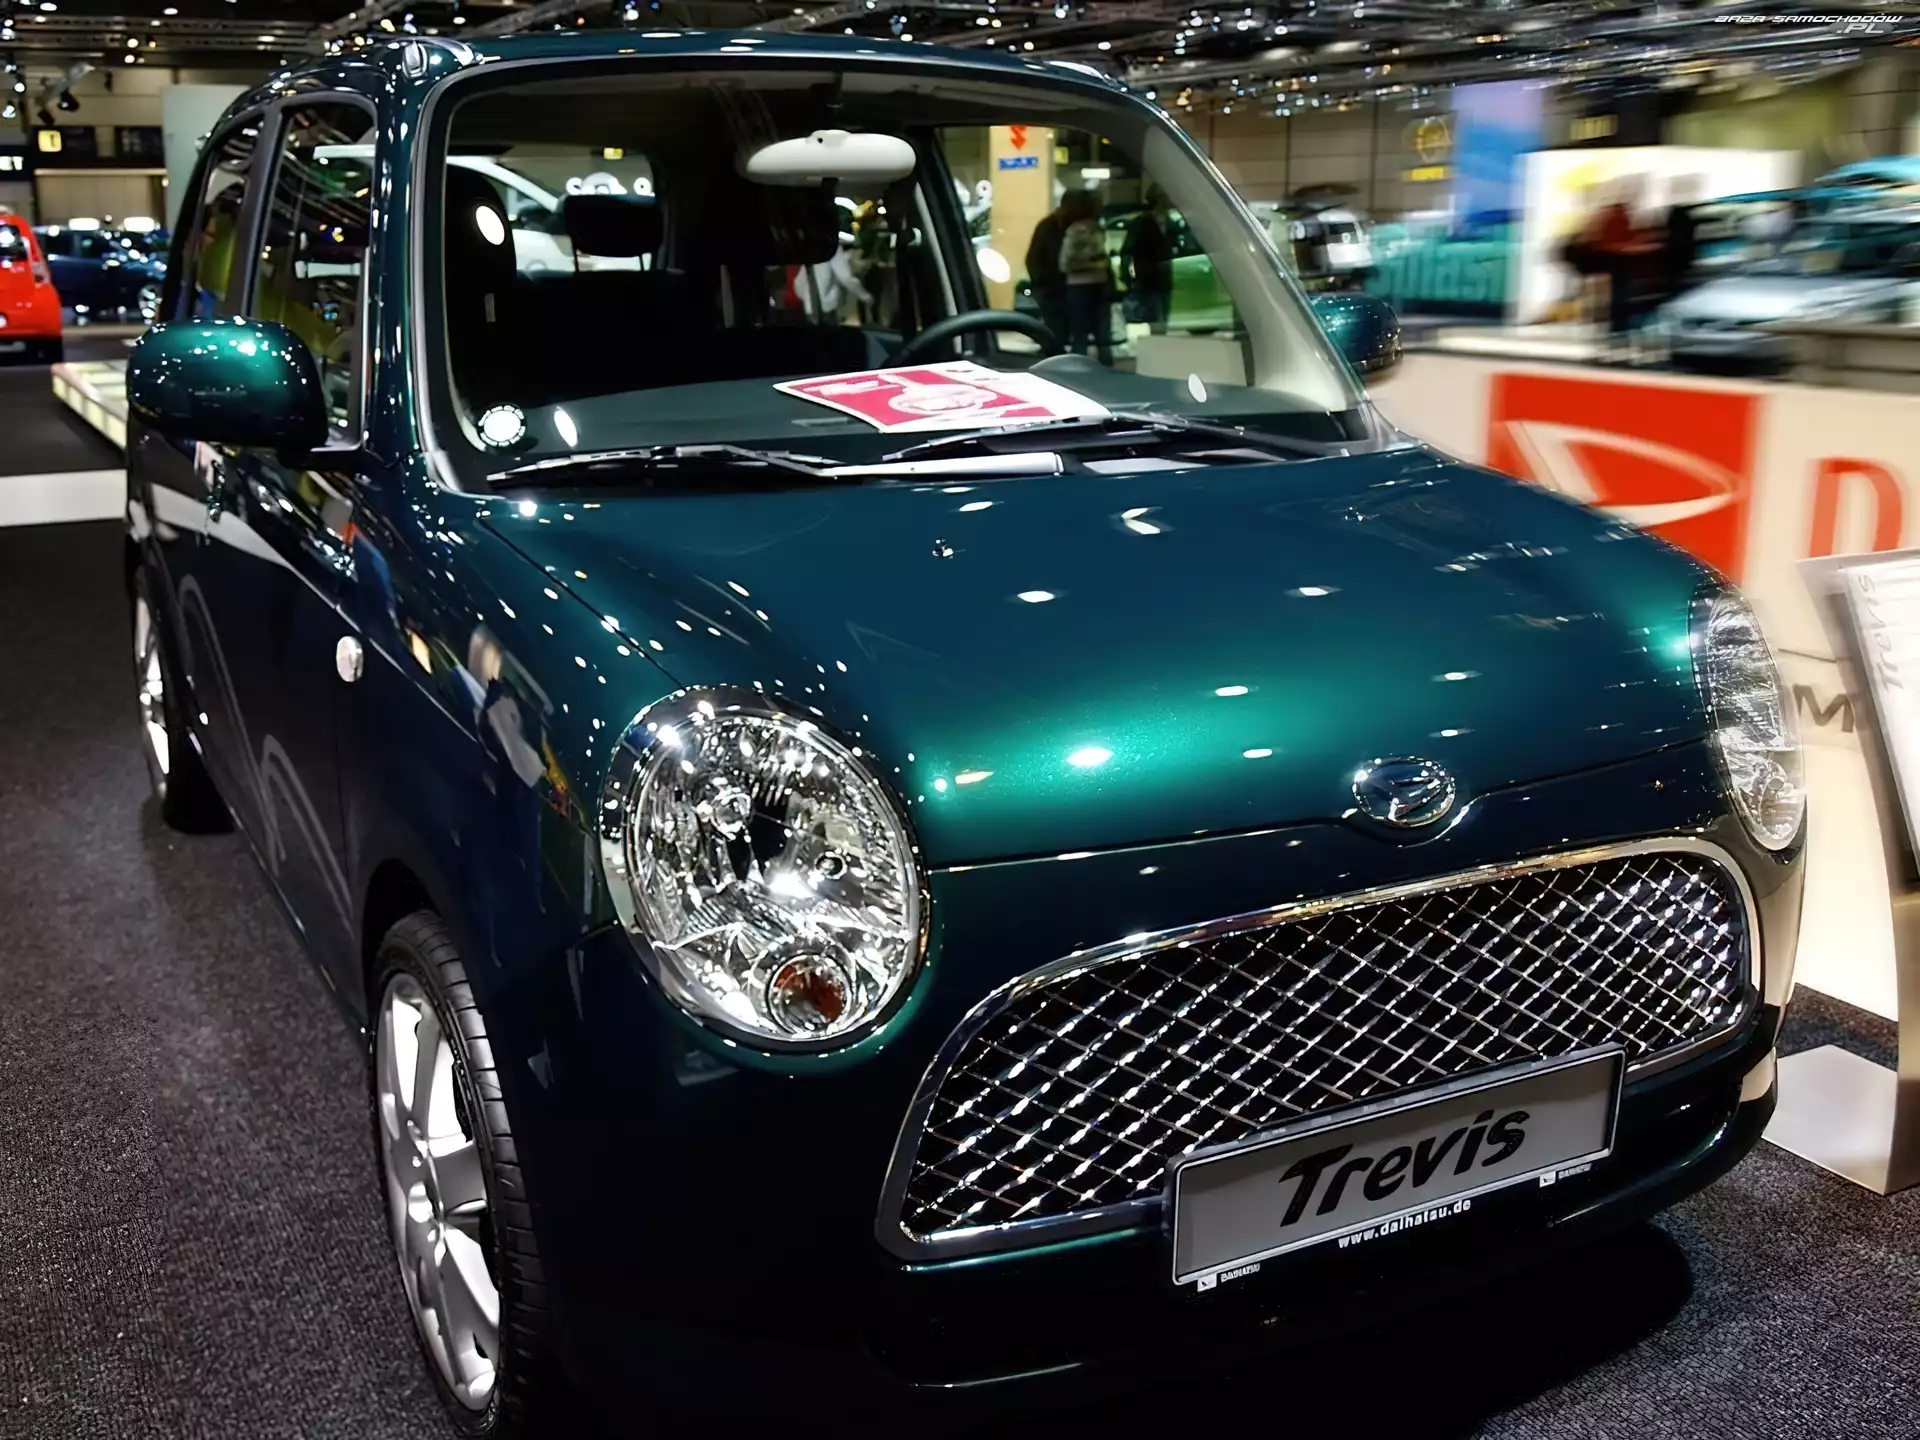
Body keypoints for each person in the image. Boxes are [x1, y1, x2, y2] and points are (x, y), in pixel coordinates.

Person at [1056, 188, 1111, 364]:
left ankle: (1083, 366)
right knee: (1097, 333)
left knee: (1086, 333)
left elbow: (1065, 263)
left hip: (1085, 285)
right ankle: (1101, 366)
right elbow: (1066, 263)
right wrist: (1096, 264)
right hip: (1088, 285)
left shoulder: (1088, 229)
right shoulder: (1082, 230)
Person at [1122, 187, 1175, 333]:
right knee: (1155, 316)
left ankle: (1159, 337)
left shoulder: (1170, 223)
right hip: (1148, 277)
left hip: (1164, 278)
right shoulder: (1141, 223)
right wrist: (1128, 277)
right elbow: (1128, 251)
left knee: (1162, 314)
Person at [1024, 198, 1071, 347]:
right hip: (1051, 284)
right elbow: (1035, 257)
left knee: (1059, 327)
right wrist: (1041, 281)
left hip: (1055, 284)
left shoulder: (1061, 226)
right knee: (1056, 326)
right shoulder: (1051, 227)